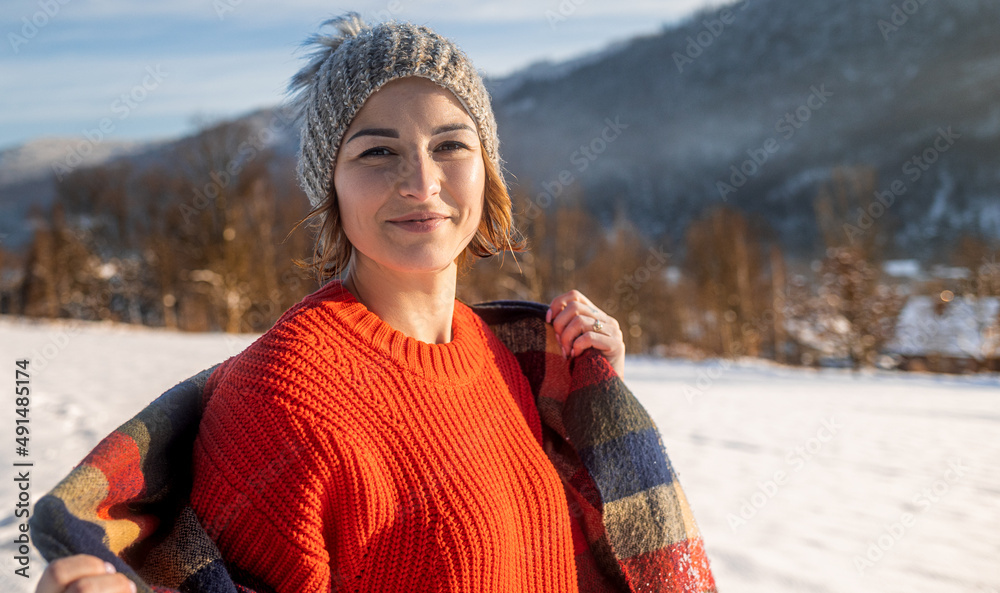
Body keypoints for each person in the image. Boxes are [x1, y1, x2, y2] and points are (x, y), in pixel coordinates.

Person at [34, 13, 714, 593]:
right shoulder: (285, 399)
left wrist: (589, 401)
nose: (421, 181)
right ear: (330, 185)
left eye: (450, 144)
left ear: (488, 167)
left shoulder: (503, 357)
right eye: (376, 152)